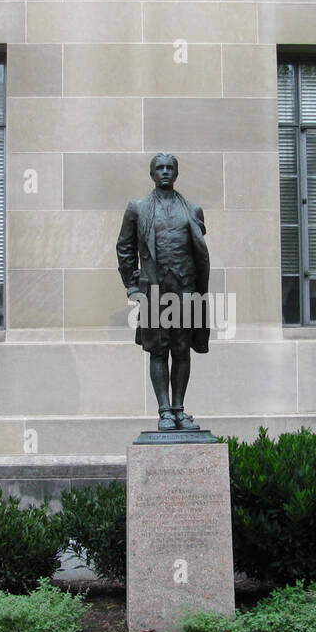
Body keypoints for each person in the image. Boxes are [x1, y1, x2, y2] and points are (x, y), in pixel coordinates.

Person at [115, 153, 210, 431]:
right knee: (158, 350)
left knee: (182, 350)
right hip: (154, 290)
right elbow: (124, 247)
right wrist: (132, 285)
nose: (165, 172)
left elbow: (198, 253)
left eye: (170, 167)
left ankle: (179, 409)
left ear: (176, 173)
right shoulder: (138, 208)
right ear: (152, 174)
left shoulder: (193, 209)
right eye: (160, 168)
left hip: (185, 290)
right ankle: (164, 411)